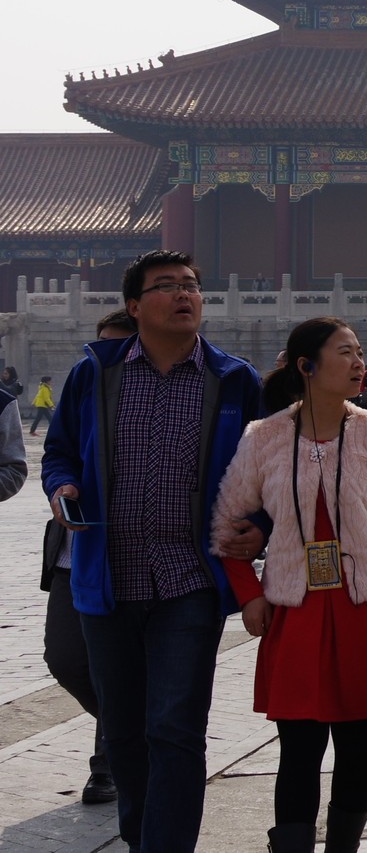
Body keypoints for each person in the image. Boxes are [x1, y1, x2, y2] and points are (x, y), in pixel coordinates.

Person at [40, 250, 265, 853]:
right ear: (136, 307)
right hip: (108, 579)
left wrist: (261, 527)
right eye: (167, 286)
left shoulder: (234, 379)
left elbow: (267, 471)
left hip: (189, 580)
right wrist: (62, 487)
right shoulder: (95, 374)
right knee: (124, 733)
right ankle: (144, 839)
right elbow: (59, 450)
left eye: (192, 284)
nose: (184, 294)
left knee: (177, 729)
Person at [211, 317, 367, 853]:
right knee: (299, 749)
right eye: (346, 353)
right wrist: (248, 594)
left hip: (366, 612)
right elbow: (225, 524)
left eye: (360, 353)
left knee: (358, 746)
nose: (361, 364)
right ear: (307, 366)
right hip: (295, 613)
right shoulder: (263, 439)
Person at [39, 308, 137, 812]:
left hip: (130, 558)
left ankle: (110, 766)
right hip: (73, 556)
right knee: (66, 659)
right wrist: (60, 486)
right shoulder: (82, 385)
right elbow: (54, 454)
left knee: (113, 667)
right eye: (102, 347)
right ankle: (132, 734)